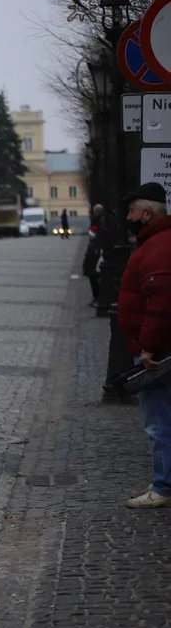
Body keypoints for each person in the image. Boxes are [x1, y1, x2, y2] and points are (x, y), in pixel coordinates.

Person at [116, 183, 171, 508]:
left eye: (132, 212)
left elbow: (161, 301)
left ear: (146, 213)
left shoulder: (157, 247)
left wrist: (148, 346)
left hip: (159, 354)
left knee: (159, 420)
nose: (128, 217)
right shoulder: (157, 242)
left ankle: (163, 487)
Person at [83, 204, 104, 307]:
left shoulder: (98, 222)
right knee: (94, 276)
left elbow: (93, 235)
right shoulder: (97, 221)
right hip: (93, 251)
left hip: (95, 252)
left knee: (94, 276)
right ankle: (97, 297)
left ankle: (98, 297)